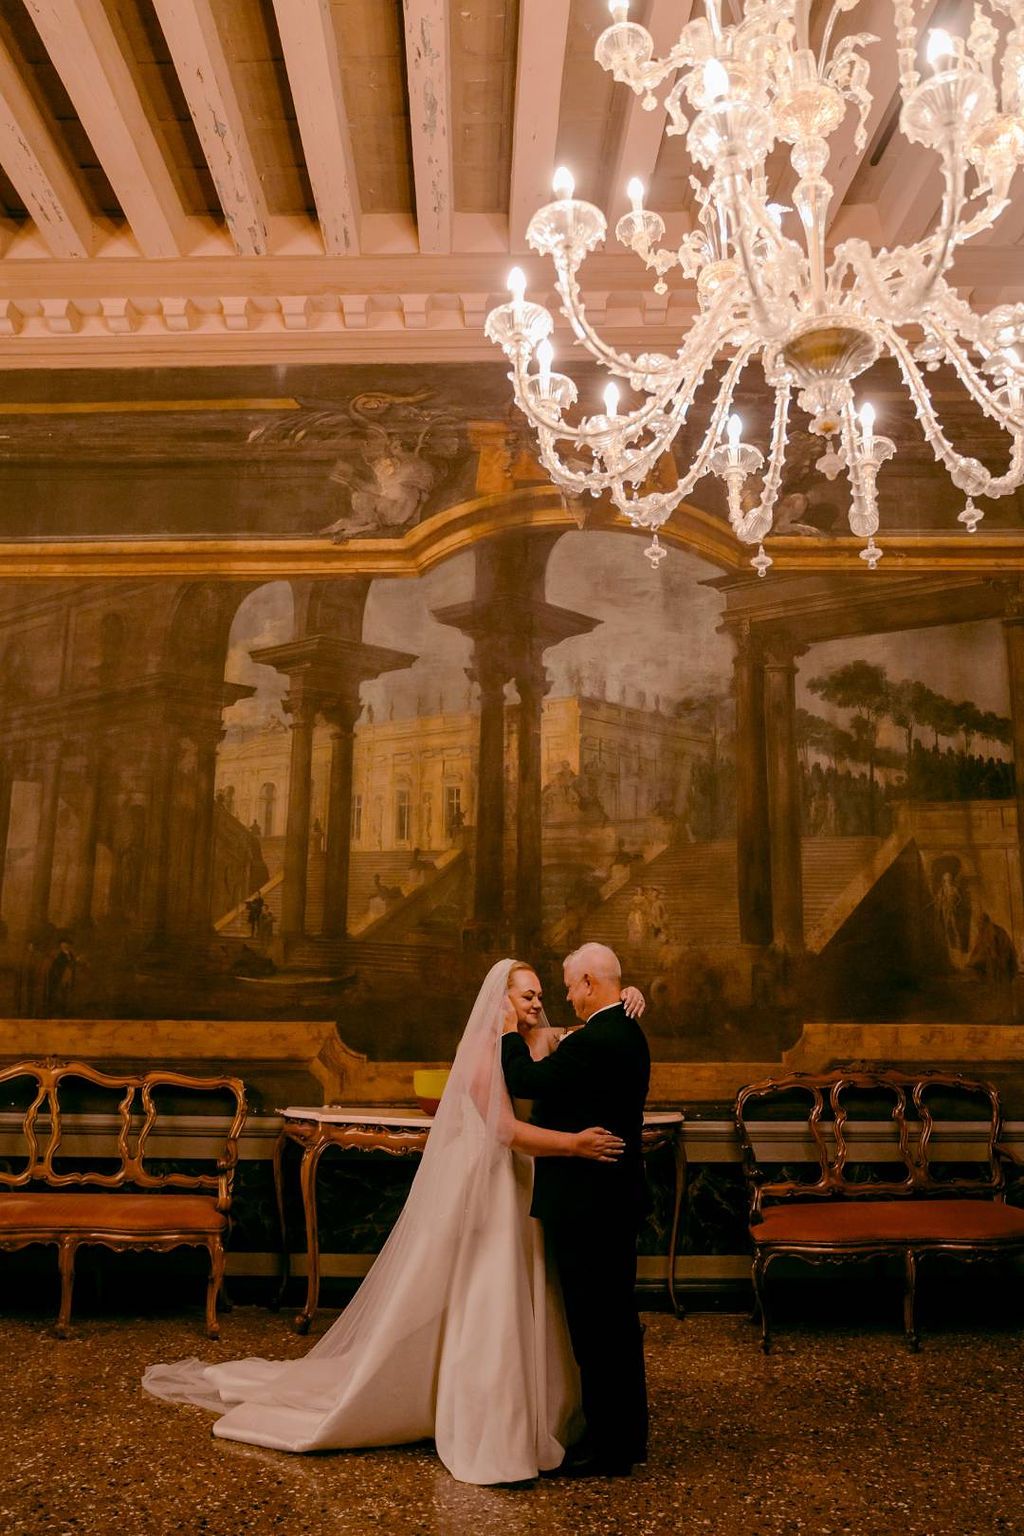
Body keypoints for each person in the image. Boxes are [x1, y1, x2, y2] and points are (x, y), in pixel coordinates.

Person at [142, 959, 645, 1486]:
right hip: (495, 1182)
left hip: (533, 1187)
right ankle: (480, 1412)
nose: (539, 1003)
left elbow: (598, 1029)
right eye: (527, 996)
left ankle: (549, 1413)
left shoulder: (548, 1041)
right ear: (499, 1002)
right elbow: (502, 1128)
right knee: (487, 1292)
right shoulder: (481, 1051)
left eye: (542, 994)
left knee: (536, 1293)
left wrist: (629, 993)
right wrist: (573, 1144)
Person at [501, 941, 650, 1479]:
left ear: (589, 983)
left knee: (597, 1331)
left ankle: (609, 1449)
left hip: (591, 1206)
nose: (561, 997)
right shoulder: (624, 1030)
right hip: (612, 1201)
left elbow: (527, 1082)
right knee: (615, 1325)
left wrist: (502, 1034)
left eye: (566, 986)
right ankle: (627, 1438)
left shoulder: (598, 1039)